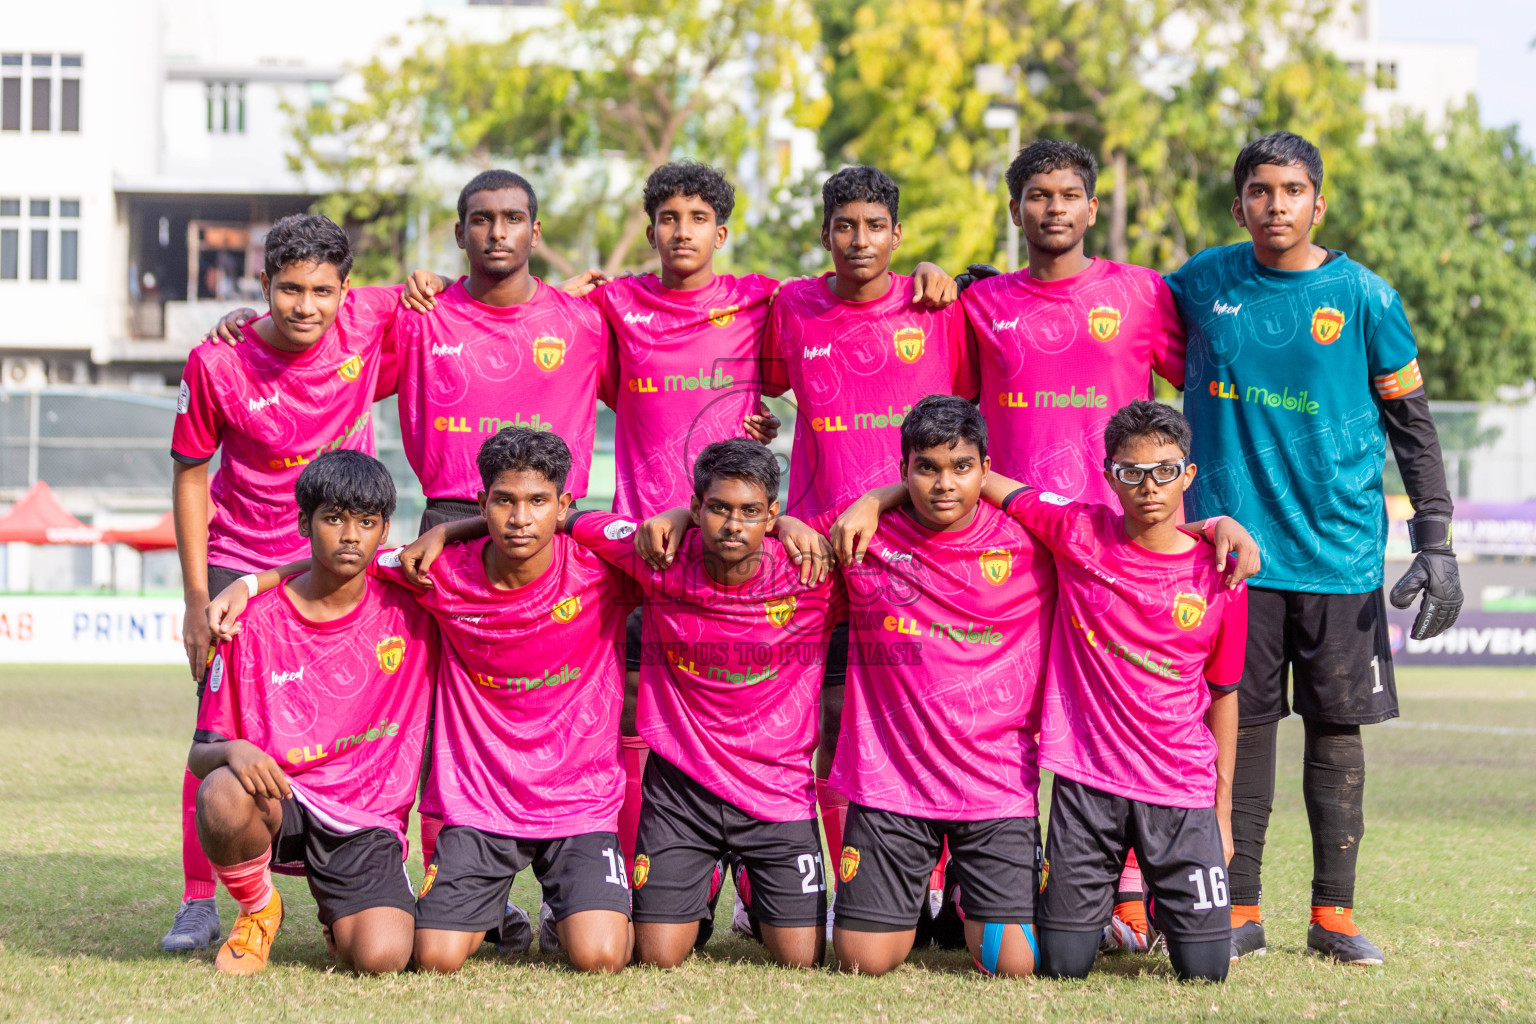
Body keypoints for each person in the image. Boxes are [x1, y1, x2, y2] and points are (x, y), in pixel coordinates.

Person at [1168, 130, 1463, 965]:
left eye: (1292, 190)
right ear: (1239, 206)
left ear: (1318, 203)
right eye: (1260, 191)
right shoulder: (1204, 281)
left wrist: (1434, 540)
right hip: (1236, 560)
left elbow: (1413, 426)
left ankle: (1334, 916)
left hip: (1339, 554)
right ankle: (1242, 907)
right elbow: (1101, 309)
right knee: (1244, 731)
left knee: (1337, 733)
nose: (1276, 205)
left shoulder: (1367, 298)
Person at [209, 428, 634, 973]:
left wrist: (461, 525)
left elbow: (669, 545)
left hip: (578, 799)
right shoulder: (437, 573)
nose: (521, 518)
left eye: (538, 502)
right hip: (481, 804)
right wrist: (248, 583)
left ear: (564, 504)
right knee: (433, 958)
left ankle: (564, 913)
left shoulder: (600, 568)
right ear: (483, 502)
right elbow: (343, 558)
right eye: (503, 501)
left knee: (600, 957)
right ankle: (270, 910)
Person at [960, 140, 1188, 947]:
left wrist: (1210, 511)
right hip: (1011, 544)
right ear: (1015, 209)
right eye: (1037, 195)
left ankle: (1132, 885)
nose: (1053, 207)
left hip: (1115, 547)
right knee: (1001, 713)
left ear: (1092, 208)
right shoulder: (977, 306)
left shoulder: (1142, 294)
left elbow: (1201, 396)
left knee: (1120, 715)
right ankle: (987, 877)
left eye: (1068, 194)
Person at [165, 213, 404, 953]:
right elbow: (190, 475)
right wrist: (198, 599)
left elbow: (469, 297)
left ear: (347, 290)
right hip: (244, 560)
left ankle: (401, 879)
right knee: (220, 732)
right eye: (289, 290)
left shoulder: (372, 318)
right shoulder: (218, 361)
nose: (306, 307)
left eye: (322, 292)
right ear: (262, 284)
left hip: (342, 552)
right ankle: (202, 899)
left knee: (381, 717)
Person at [760, 164, 978, 940]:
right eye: (845, 225)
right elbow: (759, 396)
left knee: (933, 718)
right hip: (817, 555)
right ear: (826, 233)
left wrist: (952, 277)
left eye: (875, 226)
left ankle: (946, 893)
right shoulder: (791, 306)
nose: (859, 240)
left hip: (919, 558)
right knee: (817, 725)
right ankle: (835, 888)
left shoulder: (939, 307)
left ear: (898, 234)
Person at [976, 400, 1248, 983]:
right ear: (1109, 476)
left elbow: (1224, 694)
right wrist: (881, 498)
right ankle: (1105, 905)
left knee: (1207, 972)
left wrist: (1222, 815)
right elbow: (986, 480)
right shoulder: (1077, 532)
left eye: (1165, 472)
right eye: (1131, 473)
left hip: (1179, 789)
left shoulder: (1223, 572)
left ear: (1188, 475)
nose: (1149, 487)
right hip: (1086, 784)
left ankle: (1161, 895)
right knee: (1065, 966)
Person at [570, 438, 841, 968]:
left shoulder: (812, 569)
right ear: (696, 509)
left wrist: (842, 513)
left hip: (775, 793)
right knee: (658, 957)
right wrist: (447, 529)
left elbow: (902, 511)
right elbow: (563, 517)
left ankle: (749, 876)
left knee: (802, 959)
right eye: (718, 508)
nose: (733, 525)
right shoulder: (658, 553)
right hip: (681, 792)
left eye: (751, 512)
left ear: (773, 514)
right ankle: (709, 872)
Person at [189, 451, 435, 976]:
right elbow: (198, 754)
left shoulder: (414, 606)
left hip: (366, 818)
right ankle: (258, 910)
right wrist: (235, 750)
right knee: (223, 793)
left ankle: (339, 913)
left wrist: (253, 576)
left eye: (367, 523)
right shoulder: (249, 624)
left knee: (382, 958)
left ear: (385, 530)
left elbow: (502, 542)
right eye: (333, 519)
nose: (351, 535)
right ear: (304, 522)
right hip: (283, 799)